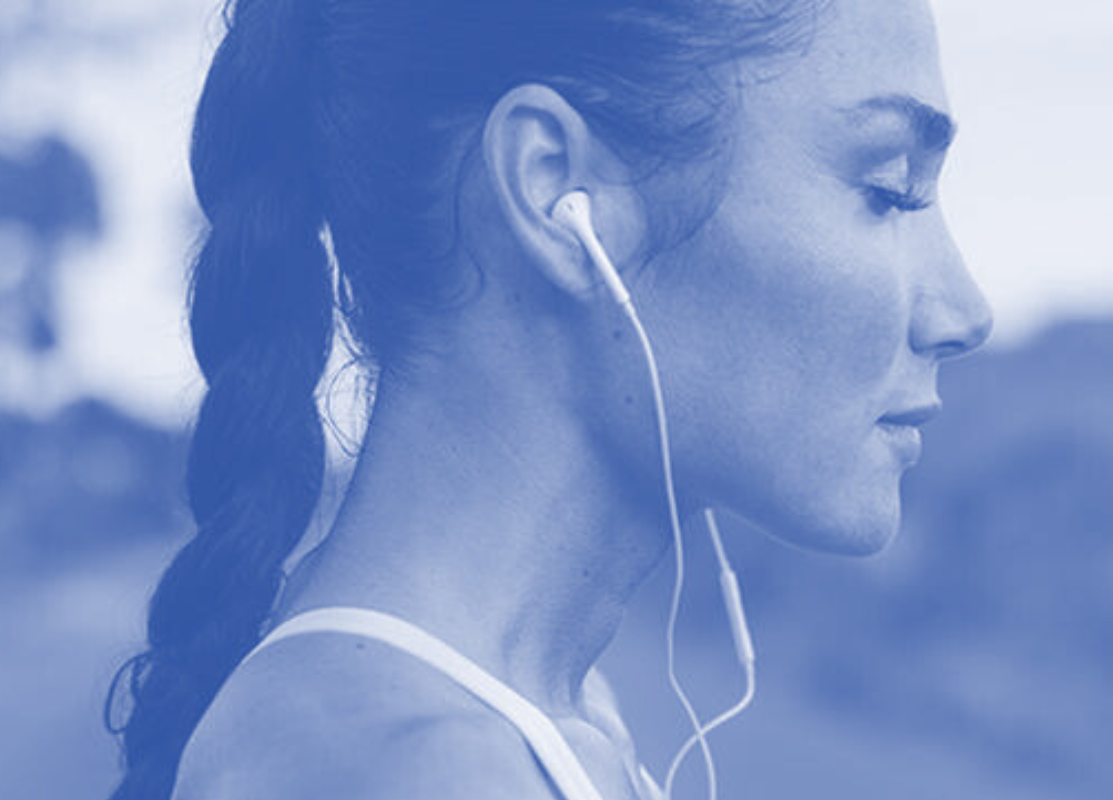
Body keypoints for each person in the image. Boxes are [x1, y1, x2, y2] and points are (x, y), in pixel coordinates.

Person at [105, 0, 993, 798]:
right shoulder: (426, 776)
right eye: (889, 190)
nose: (966, 311)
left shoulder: (548, 723)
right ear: (555, 192)